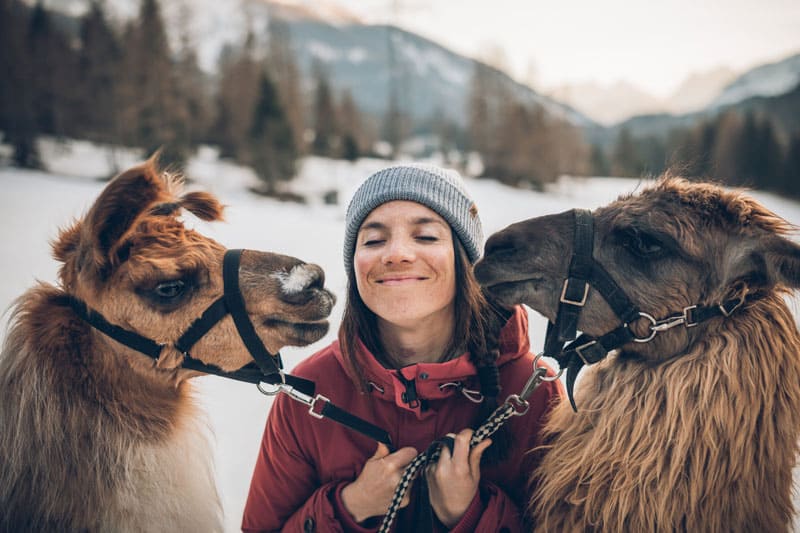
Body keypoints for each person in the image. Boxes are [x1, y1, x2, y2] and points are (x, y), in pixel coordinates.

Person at [242, 163, 563, 532]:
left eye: (425, 237)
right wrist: (348, 508)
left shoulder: (532, 392)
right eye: (374, 240)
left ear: (466, 263)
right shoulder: (310, 391)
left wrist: (471, 515)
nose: (396, 254)